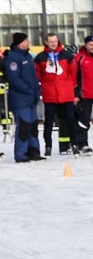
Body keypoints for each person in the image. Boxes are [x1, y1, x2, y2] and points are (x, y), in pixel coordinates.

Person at [35, 32, 79, 156]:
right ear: (46, 42)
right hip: (50, 94)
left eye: (55, 41)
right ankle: (48, 146)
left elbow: (73, 74)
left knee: (70, 120)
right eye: (51, 42)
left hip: (66, 93)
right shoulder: (41, 57)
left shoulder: (67, 55)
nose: (53, 44)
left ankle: (74, 144)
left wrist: (74, 92)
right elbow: (38, 76)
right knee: (48, 122)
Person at [4, 32, 46, 162]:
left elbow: (33, 77)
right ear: (20, 43)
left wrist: (36, 90)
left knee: (33, 126)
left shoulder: (27, 56)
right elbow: (14, 78)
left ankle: (33, 151)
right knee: (24, 126)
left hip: (31, 98)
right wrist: (28, 90)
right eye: (26, 40)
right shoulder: (13, 57)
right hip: (20, 99)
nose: (28, 42)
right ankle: (21, 153)